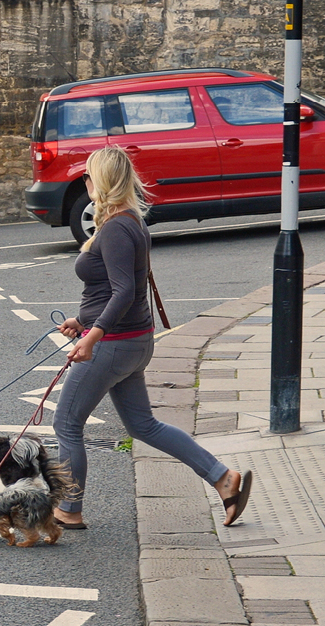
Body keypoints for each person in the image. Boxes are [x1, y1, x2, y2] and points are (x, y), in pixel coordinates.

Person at [52, 146, 253, 530]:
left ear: (104, 181)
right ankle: (223, 478)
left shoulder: (113, 229)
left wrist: (92, 336)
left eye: (89, 175)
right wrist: (82, 319)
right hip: (133, 340)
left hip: (113, 345)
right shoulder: (129, 222)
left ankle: (69, 508)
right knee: (143, 425)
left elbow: (124, 290)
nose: (85, 182)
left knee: (66, 424)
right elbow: (114, 287)